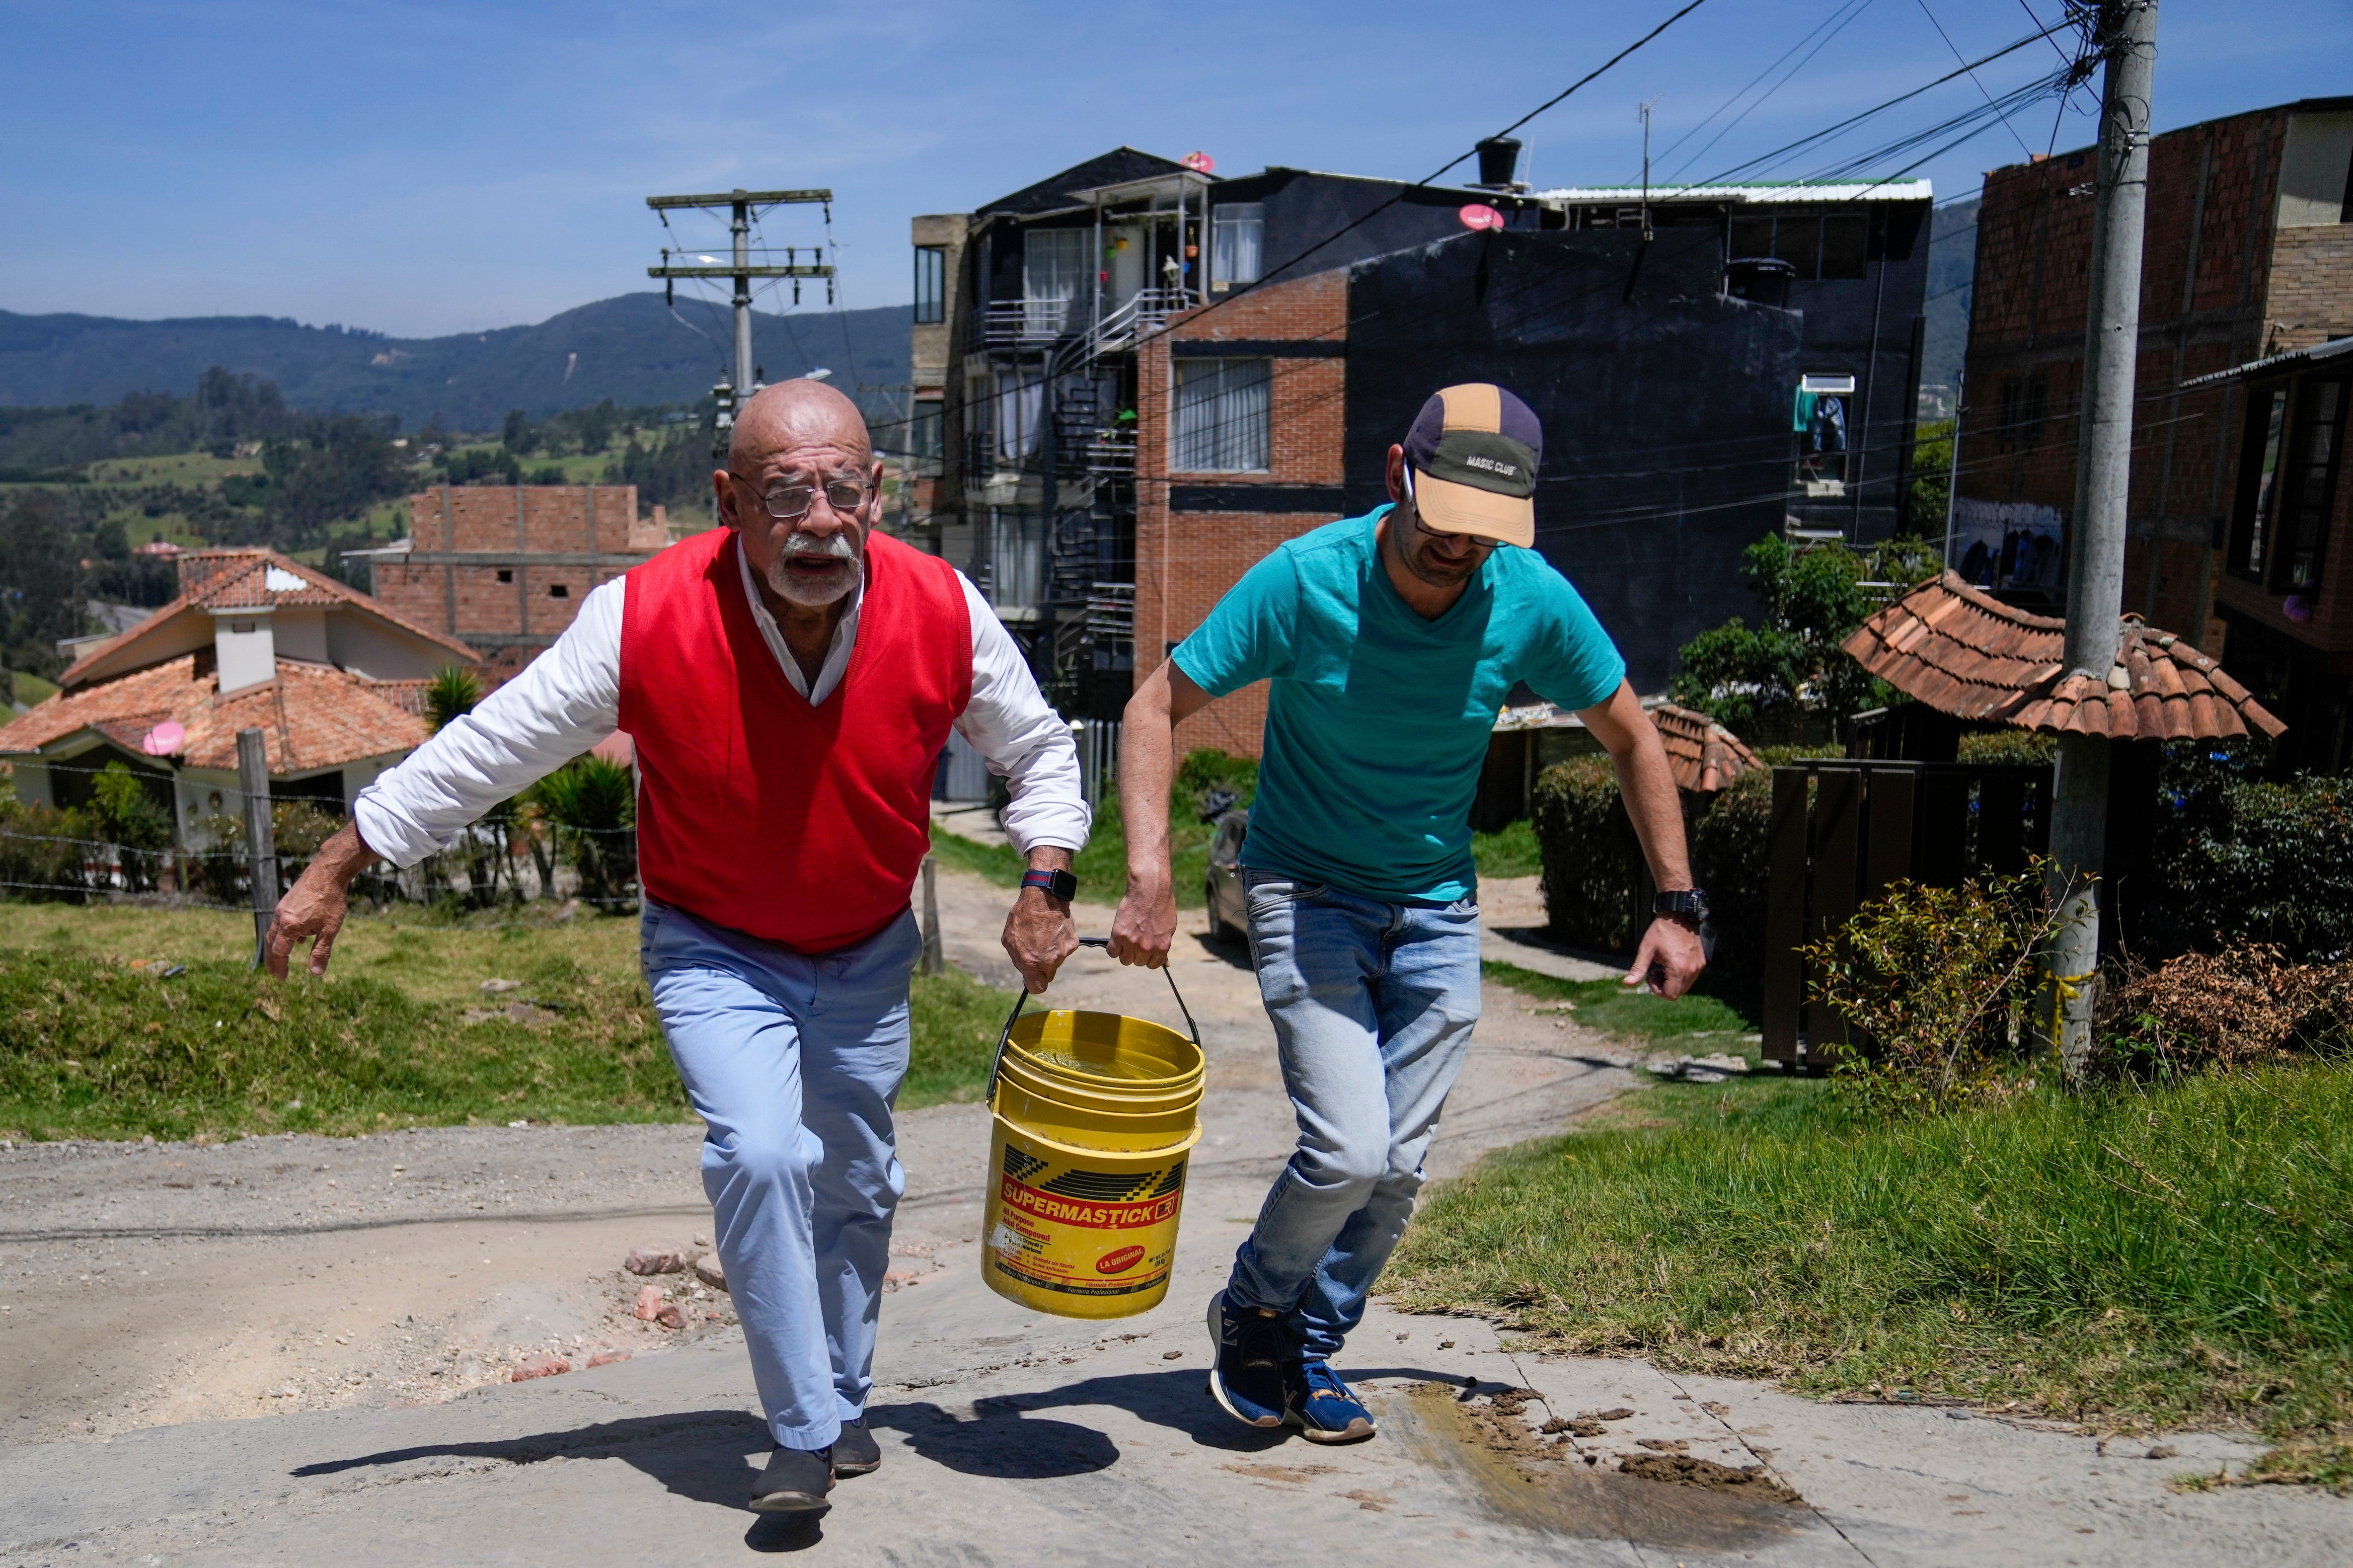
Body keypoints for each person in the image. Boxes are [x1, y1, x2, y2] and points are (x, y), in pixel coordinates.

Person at [265, 381, 1090, 1513]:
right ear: (727, 500)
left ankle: (844, 1399)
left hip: (864, 946)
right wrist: (339, 859)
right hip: (714, 943)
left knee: (857, 1180)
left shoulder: (943, 608)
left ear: (876, 495)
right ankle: (799, 1431)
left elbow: (1041, 753)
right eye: (782, 492)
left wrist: (1045, 876)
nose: (816, 520)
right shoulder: (644, 613)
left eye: (840, 490)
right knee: (760, 1154)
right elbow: (494, 745)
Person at [1109, 383, 1706, 1444]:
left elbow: (1631, 735)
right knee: (1347, 1147)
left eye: (1485, 532)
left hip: (1435, 910)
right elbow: (1155, 703)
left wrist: (1673, 903)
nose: (1459, 549)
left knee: (1400, 1167)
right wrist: (1150, 871)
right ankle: (1254, 1305)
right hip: (1304, 892)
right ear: (1398, 475)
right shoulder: (1304, 581)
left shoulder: (1528, 596)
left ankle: (1312, 1348)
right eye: (1444, 519)